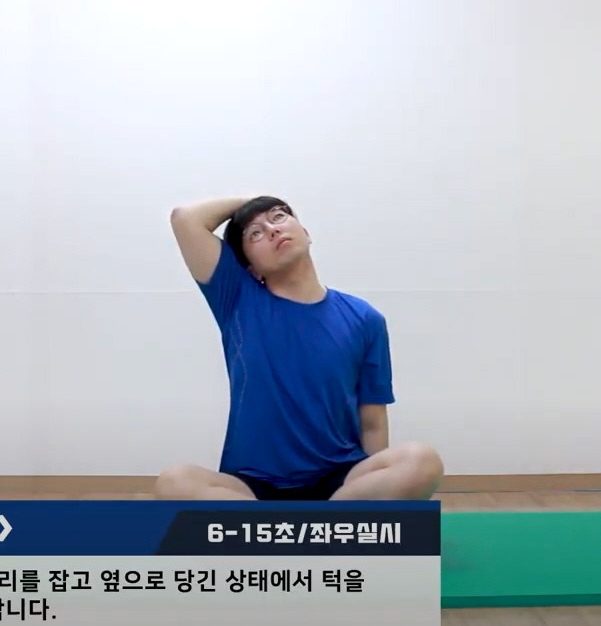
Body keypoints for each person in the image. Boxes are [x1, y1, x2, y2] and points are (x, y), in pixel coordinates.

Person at [154, 195, 445, 501]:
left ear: (305, 233)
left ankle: (305, 524)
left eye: (279, 216)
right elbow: (185, 219)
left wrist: (376, 492)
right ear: (251, 269)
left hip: (341, 482)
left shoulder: (365, 318)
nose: (272, 230)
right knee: (174, 483)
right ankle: (314, 526)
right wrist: (256, 198)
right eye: (255, 233)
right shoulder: (238, 299)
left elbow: (372, 423)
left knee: (421, 462)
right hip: (253, 485)